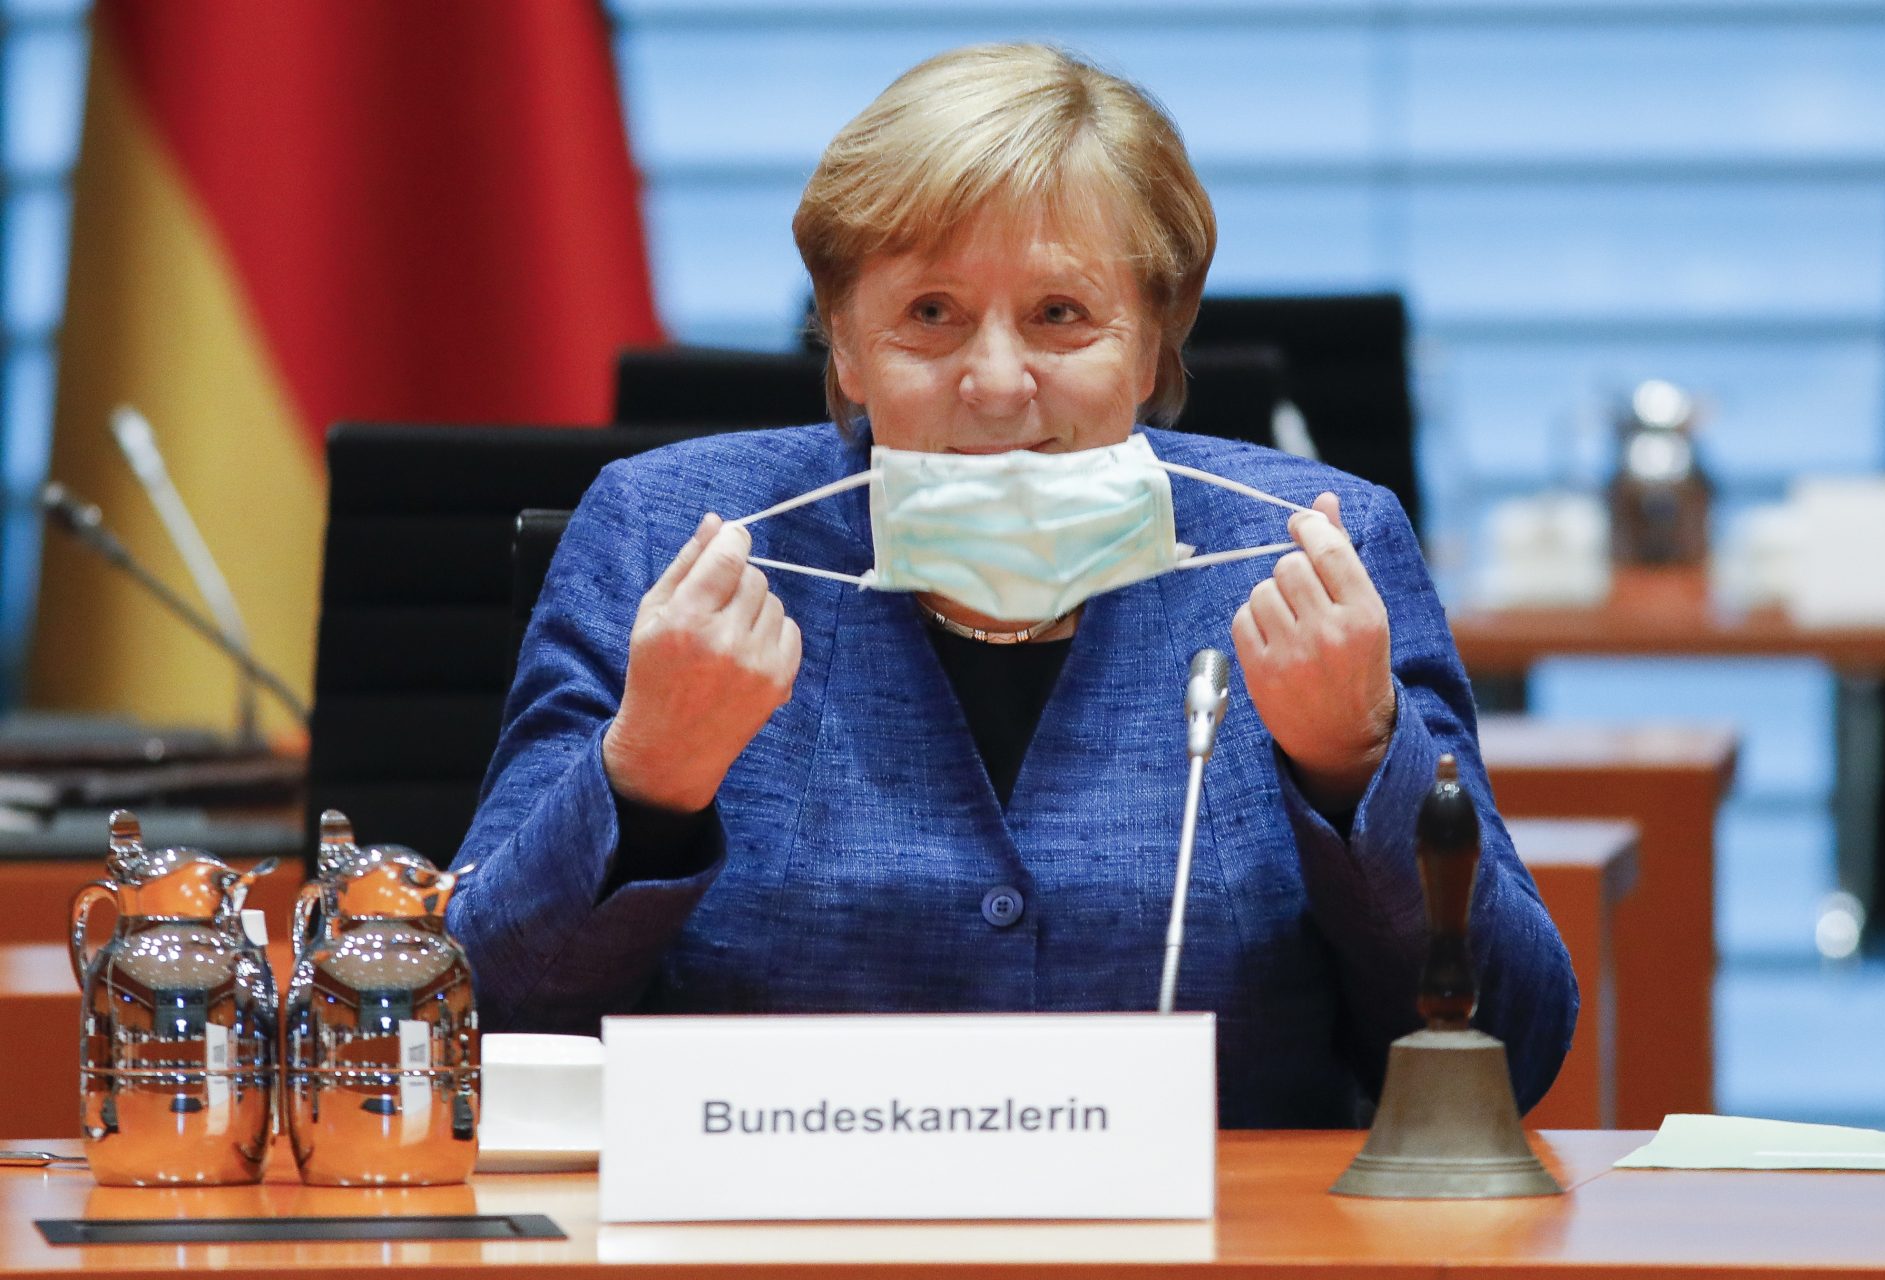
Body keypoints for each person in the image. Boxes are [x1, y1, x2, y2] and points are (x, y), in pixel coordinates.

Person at [448, 43, 1576, 1127]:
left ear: (1149, 350)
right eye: (930, 315)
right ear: (844, 346)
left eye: (1061, 315)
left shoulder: (1313, 545)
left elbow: (1514, 1049)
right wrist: (646, 776)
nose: (995, 383)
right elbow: (468, 1022)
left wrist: (1357, 763)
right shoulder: (663, 536)